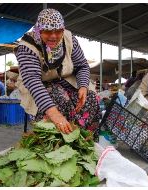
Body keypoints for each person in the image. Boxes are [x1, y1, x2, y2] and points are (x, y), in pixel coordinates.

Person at [15, 8, 100, 139]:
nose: (53, 36)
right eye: (48, 31)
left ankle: (83, 139)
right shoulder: (27, 46)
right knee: (58, 99)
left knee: (90, 98)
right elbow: (32, 80)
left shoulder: (69, 38)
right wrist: (54, 114)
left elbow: (82, 65)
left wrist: (83, 86)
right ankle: (60, 142)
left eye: (58, 31)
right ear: (39, 30)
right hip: (38, 84)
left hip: (64, 79)